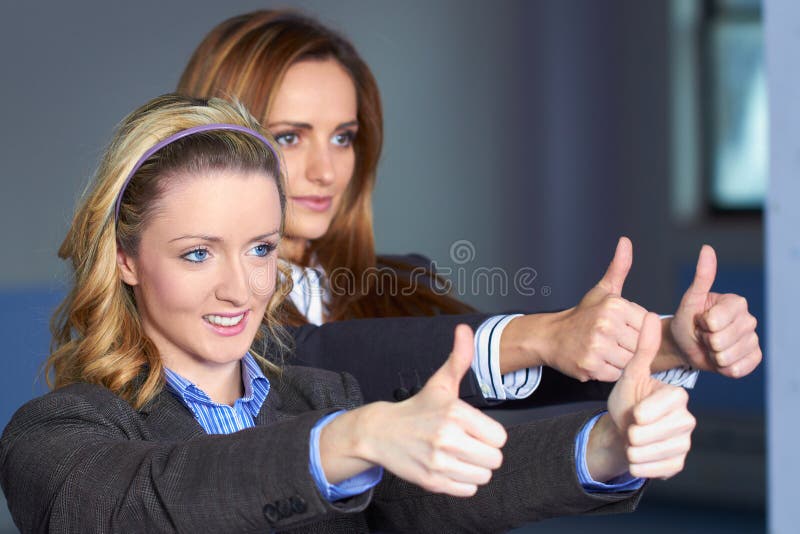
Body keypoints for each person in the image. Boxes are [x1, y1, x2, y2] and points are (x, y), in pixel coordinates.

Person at [0, 95, 696, 533]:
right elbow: (133, 506)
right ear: (125, 260)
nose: (240, 289)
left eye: (261, 248)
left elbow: (433, 496)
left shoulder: (320, 397)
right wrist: (347, 440)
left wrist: (607, 446)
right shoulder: (60, 432)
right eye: (196, 254)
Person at [176, 9, 762, 405]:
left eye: (343, 137)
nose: (325, 171)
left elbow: (506, 380)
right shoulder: (192, 305)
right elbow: (323, 366)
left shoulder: (403, 283)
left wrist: (662, 346)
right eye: (288, 136)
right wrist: (541, 334)